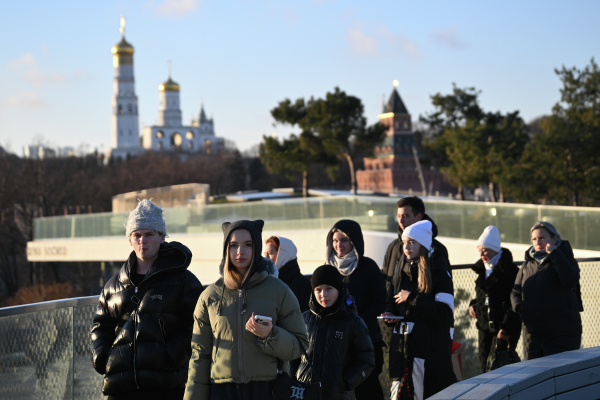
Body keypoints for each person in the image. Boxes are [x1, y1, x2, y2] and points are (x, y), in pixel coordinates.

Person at [90, 200, 203, 400]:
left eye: (149, 234)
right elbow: (101, 325)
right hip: (120, 386)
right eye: (137, 235)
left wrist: (170, 355)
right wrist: (102, 358)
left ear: (161, 237)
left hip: (166, 386)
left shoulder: (183, 280)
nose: (143, 240)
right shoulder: (114, 285)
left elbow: (198, 326)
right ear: (130, 240)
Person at [184, 219, 309, 400]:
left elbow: (300, 345)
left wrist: (270, 335)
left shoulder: (279, 290)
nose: (240, 251)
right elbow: (199, 357)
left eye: (247, 245)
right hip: (222, 392)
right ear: (226, 249)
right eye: (233, 245)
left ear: (256, 248)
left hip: (268, 390)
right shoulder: (209, 296)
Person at [382, 220, 456, 400]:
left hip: (427, 354)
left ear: (423, 244)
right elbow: (391, 300)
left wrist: (413, 298)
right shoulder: (401, 268)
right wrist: (390, 315)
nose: (406, 247)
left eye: (412, 242)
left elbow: (444, 313)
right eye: (404, 242)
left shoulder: (439, 272)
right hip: (401, 351)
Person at [291, 265, 375, 400]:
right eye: (318, 290)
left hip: (338, 395)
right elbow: (293, 354)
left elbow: (367, 359)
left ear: (338, 289)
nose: (323, 295)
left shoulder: (353, 322)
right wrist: (295, 379)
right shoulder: (304, 319)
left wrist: (345, 382)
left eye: (329, 289)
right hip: (304, 393)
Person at [325, 219, 386, 400]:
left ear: (354, 241)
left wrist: (355, 322)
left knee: (369, 390)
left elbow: (379, 301)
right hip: (338, 345)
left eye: (344, 240)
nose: (338, 245)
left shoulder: (368, 267)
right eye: (335, 241)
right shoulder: (328, 269)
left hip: (365, 341)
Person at [511, 221, 583, 360]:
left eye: (542, 238)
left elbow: (570, 279)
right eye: (534, 239)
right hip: (533, 336)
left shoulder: (564, 257)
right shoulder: (527, 264)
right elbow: (515, 292)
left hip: (562, 334)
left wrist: (555, 253)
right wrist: (521, 308)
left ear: (555, 239)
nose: (537, 242)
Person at [468, 226, 521, 372]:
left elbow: (515, 302)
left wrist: (506, 328)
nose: (481, 253)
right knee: (484, 365)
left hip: (503, 328)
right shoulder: (482, 270)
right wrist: (474, 305)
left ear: (495, 249)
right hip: (484, 327)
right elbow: (483, 295)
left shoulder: (510, 271)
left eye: (485, 249)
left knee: (501, 368)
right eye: (479, 249)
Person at [382, 196, 450, 284]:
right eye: (399, 216)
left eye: (405, 216)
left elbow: (444, 283)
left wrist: (412, 296)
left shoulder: (436, 249)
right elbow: (384, 278)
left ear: (418, 217)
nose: (400, 221)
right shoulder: (393, 246)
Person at [265, 235, 312, 312]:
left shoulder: (304, 286)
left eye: (270, 253)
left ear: (283, 255)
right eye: (265, 254)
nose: (266, 258)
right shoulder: (265, 282)